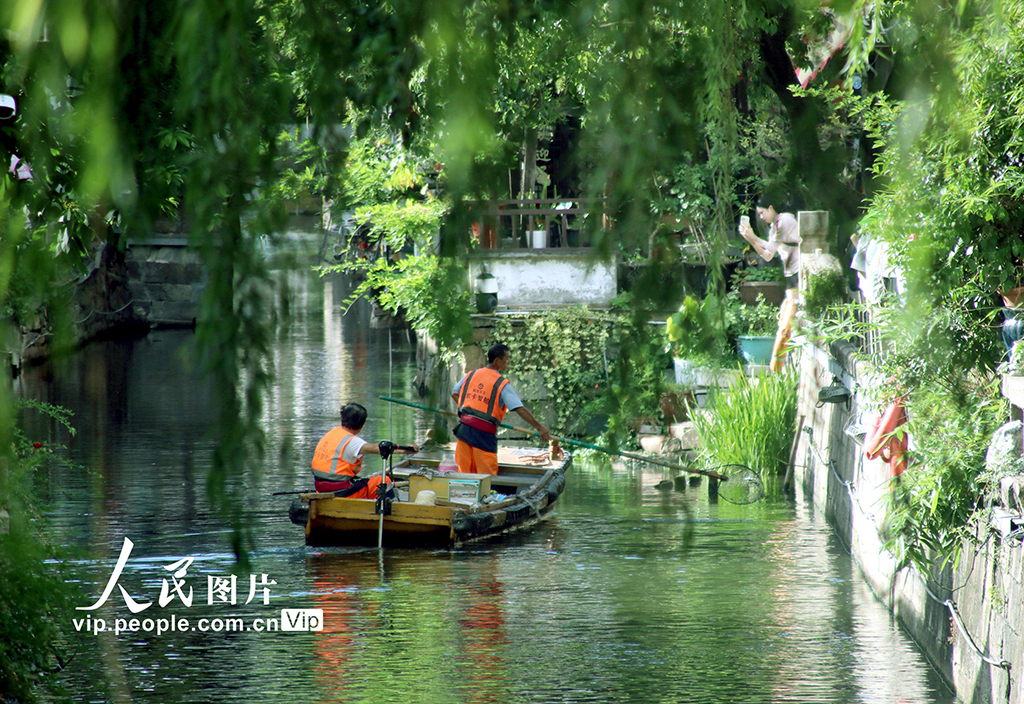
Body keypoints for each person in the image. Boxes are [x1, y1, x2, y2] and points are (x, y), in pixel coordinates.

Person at [450, 343, 551, 476]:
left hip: (464, 431)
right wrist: (539, 427)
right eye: (507, 359)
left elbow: (455, 393)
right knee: (487, 478)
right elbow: (519, 409)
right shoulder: (501, 383)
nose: (508, 362)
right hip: (483, 436)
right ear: (497, 361)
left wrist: (470, 411)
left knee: (464, 474)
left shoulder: (471, 374)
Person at [311, 403, 419, 497]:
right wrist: (406, 450)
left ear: (342, 419)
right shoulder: (352, 441)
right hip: (341, 491)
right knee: (385, 481)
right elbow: (379, 449)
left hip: (320, 487)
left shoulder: (332, 434)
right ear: (361, 425)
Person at [738, 194, 801, 299]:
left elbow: (770, 247)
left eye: (762, 213)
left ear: (770, 208)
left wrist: (754, 237)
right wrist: (750, 240)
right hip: (790, 270)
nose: (762, 217)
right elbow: (768, 256)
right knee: (790, 302)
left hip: (799, 267)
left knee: (792, 303)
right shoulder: (773, 228)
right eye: (759, 214)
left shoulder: (785, 220)